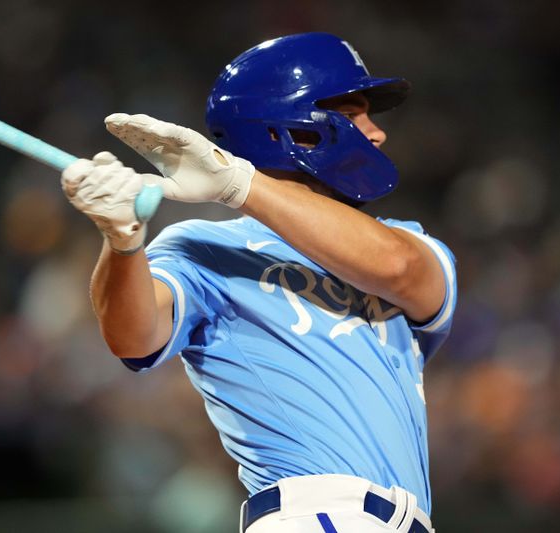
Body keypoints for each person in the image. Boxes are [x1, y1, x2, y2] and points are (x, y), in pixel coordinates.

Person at [61, 33, 456, 533]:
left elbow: (402, 270)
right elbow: (133, 337)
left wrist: (238, 183)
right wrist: (121, 242)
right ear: (290, 129)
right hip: (315, 515)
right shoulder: (201, 245)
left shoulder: (402, 241)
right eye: (354, 113)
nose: (376, 134)